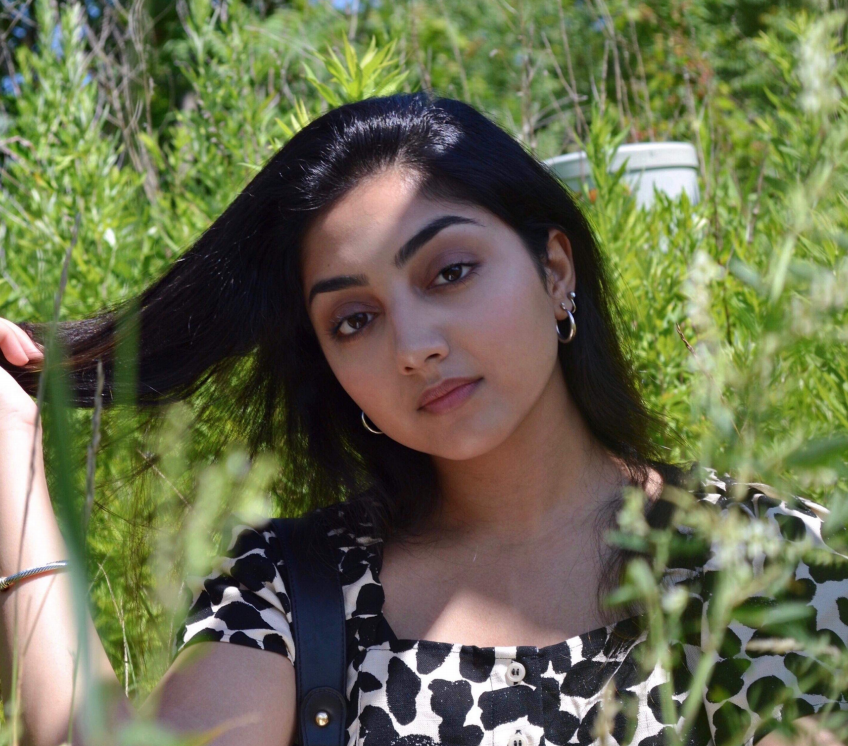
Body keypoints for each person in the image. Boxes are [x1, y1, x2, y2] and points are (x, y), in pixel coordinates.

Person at [0, 92, 845, 746]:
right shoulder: (295, 591)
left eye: (450, 272)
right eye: (354, 320)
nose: (413, 347)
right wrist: (13, 460)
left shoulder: (773, 562)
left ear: (555, 272)